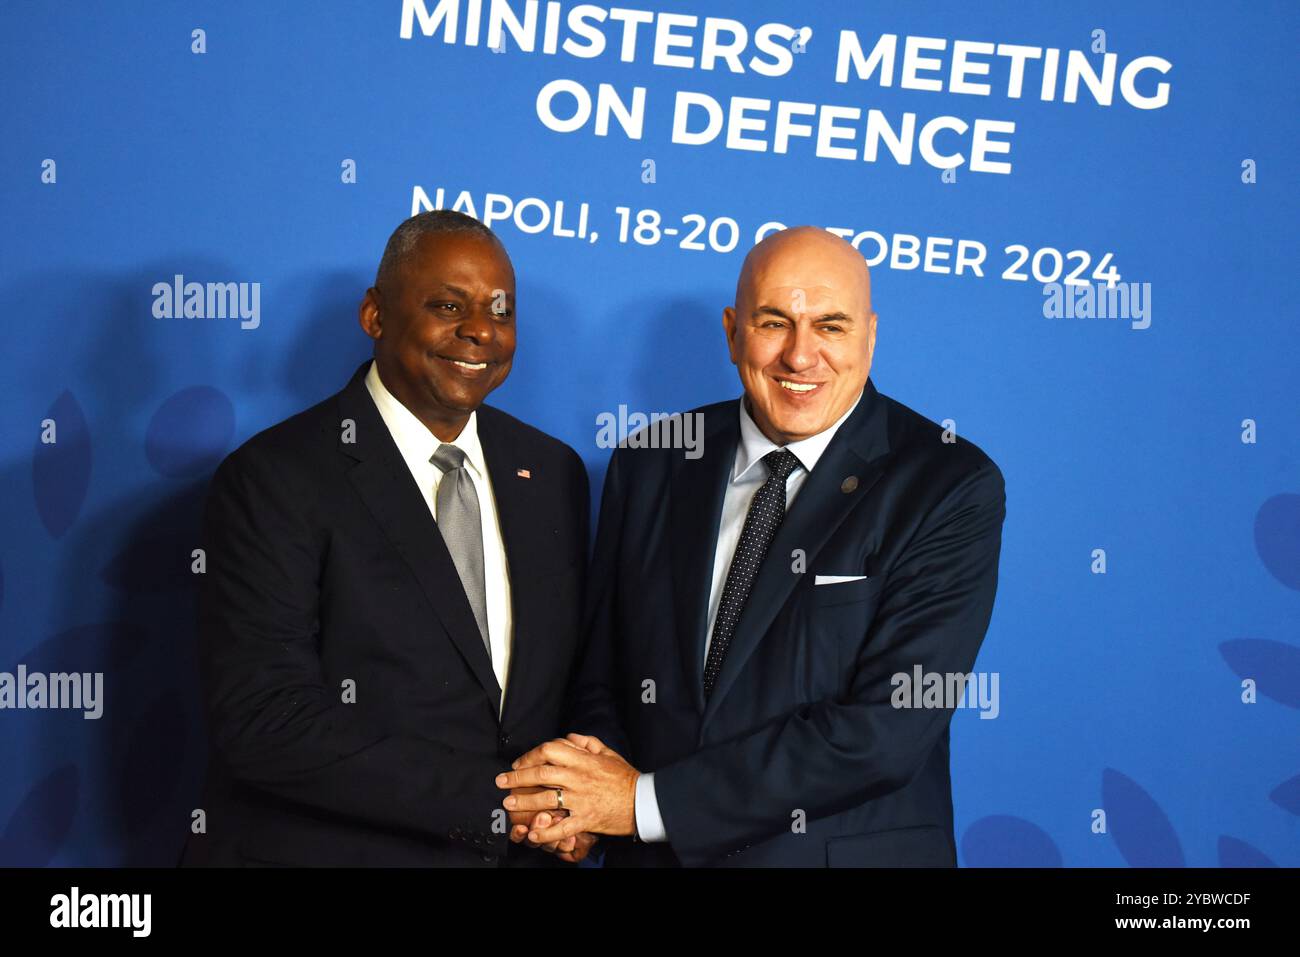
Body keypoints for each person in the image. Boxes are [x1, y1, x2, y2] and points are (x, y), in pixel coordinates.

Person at [498, 225, 1006, 866]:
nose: (800, 356)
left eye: (831, 326)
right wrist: (584, 795)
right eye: (774, 323)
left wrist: (641, 804)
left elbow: (887, 730)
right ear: (733, 330)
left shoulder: (948, 484)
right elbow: (606, 672)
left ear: (870, 335)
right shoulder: (652, 460)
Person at [182, 210, 591, 867]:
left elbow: (573, 675)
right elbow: (265, 718)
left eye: (500, 309)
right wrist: (500, 803)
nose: (480, 330)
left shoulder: (551, 471)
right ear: (375, 315)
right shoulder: (276, 476)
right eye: (446, 304)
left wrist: (583, 793)